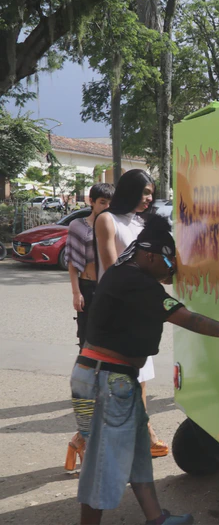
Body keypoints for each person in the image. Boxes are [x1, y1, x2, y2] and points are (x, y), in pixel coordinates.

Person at [72, 215, 219, 525]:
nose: (171, 270)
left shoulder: (125, 273)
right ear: (150, 255)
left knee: (138, 454)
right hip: (107, 381)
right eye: (168, 261)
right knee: (103, 464)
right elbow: (187, 318)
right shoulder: (136, 283)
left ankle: (157, 519)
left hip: (112, 378)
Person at [93, 169, 167, 457]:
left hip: (141, 307)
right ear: (129, 191)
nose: (149, 198)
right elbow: (113, 270)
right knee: (118, 381)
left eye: (151, 193)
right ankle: (91, 438)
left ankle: (141, 435)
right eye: (144, 192)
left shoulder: (142, 222)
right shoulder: (106, 220)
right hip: (118, 309)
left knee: (140, 377)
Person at [64, 182, 114, 472]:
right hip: (87, 286)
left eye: (109, 203)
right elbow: (72, 261)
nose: (106, 207)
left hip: (107, 290)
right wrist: (75, 292)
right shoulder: (79, 227)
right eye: (102, 203)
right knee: (87, 344)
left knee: (105, 345)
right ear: (92, 202)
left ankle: (95, 390)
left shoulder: (113, 224)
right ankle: (86, 386)